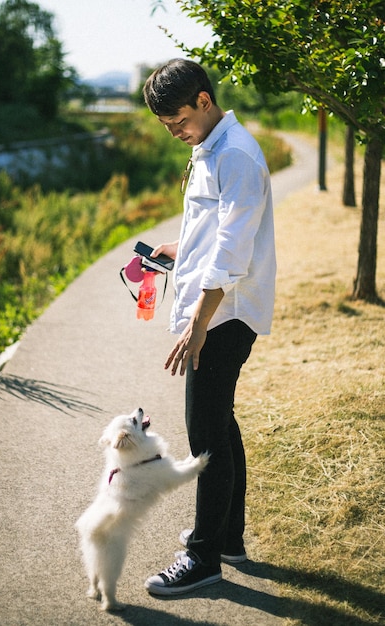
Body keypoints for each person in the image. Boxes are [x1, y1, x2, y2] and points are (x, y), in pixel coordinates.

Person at [142, 59, 276, 596]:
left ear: (203, 100)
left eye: (178, 121)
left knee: (206, 437)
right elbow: (212, 229)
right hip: (215, 309)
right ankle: (228, 539)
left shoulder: (236, 153)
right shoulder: (211, 147)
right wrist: (178, 248)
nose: (175, 133)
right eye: (167, 127)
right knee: (221, 426)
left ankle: (202, 558)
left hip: (223, 315)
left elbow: (232, 251)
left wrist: (198, 325)